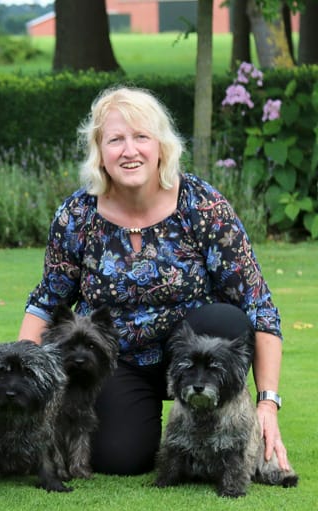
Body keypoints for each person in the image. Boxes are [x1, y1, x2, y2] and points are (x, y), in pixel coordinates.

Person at [19, 86, 292, 476]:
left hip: (195, 349)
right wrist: (24, 376)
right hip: (118, 361)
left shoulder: (202, 206)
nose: (129, 151)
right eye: (116, 140)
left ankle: (229, 423)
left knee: (228, 321)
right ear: (99, 152)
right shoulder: (77, 215)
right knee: (119, 458)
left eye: (141, 137)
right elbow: (47, 301)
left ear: (162, 146)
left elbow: (259, 306)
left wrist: (268, 404)